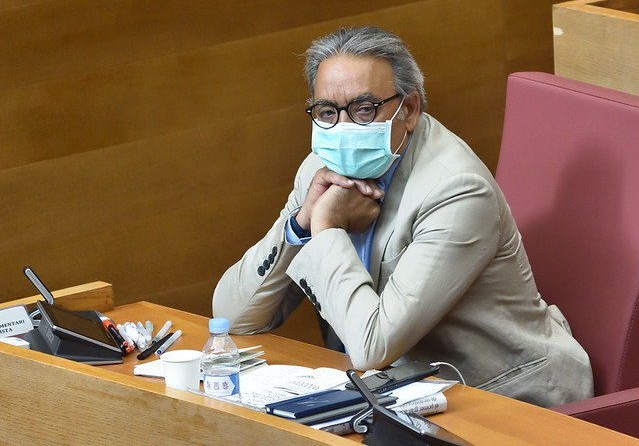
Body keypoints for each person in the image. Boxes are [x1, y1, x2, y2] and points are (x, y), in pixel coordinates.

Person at [212, 26, 593, 406]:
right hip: (397, 393)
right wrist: (300, 225)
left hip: (505, 396)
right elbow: (232, 317)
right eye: (327, 112)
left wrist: (326, 227)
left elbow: (372, 346)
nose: (342, 129)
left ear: (408, 110)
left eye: (364, 109)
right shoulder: (320, 169)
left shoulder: (456, 190)